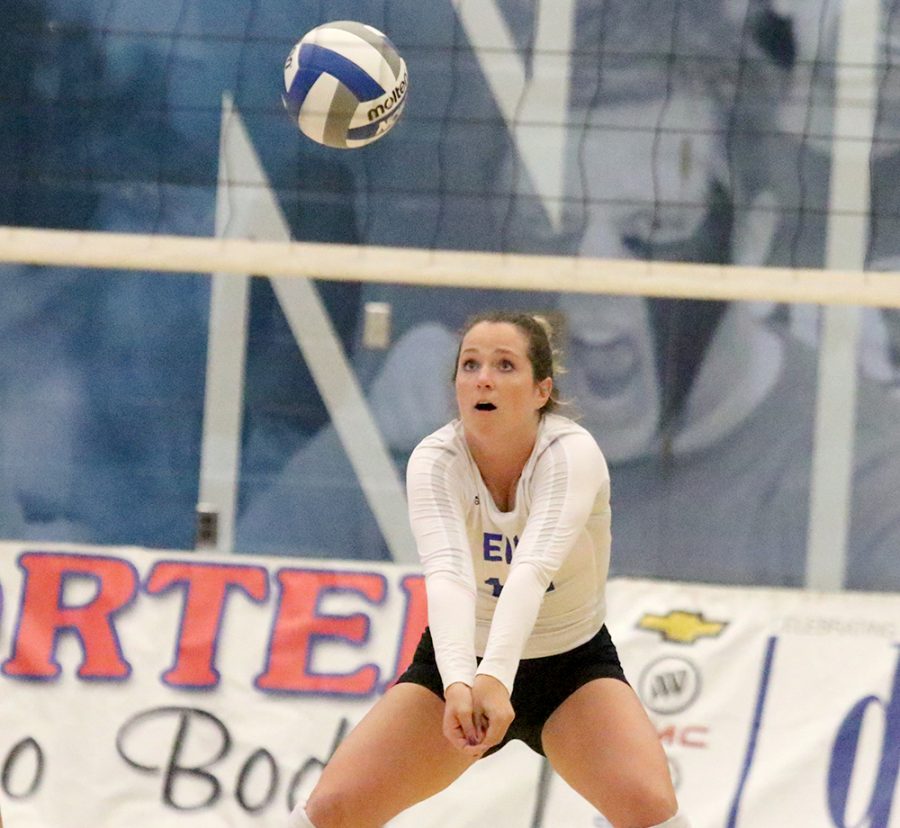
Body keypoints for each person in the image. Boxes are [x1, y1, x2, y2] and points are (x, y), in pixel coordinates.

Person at [287, 312, 688, 828]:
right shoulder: (434, 459)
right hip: (459, 658)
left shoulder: (571, 454)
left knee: (651, 810)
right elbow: (449, 576)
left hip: (569, 667)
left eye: (505, 365)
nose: (483, 378)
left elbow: (531, 570)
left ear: (542, 390)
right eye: (470, 364)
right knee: (332, 810)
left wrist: (496, 680)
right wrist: (460, 684)